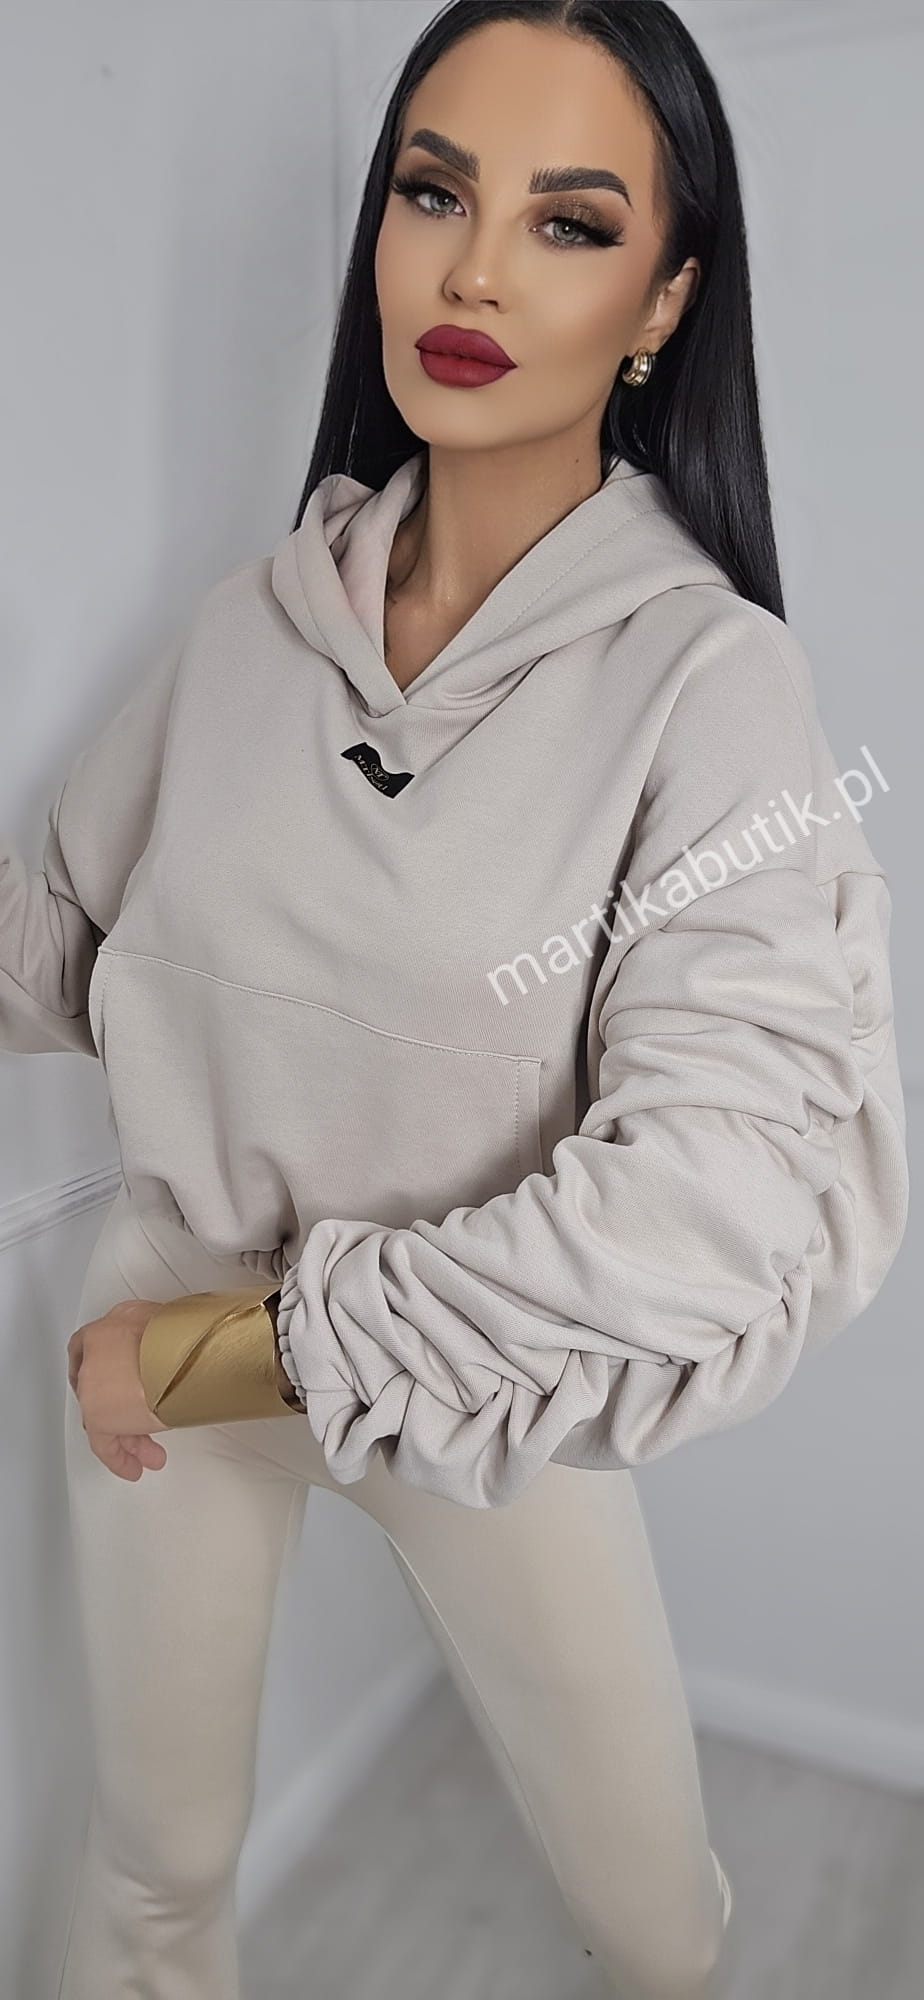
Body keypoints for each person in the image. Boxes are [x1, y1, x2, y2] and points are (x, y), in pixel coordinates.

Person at [1, 3, 906, 1995]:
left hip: (451, 1363)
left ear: (665, 301)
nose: (475, 270)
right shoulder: (255, 624)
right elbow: (59, 942)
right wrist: (184, 1342)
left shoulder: (709, 686)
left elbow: (712, 1203)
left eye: (569, 223)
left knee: (655, 1925)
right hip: (175, 1314)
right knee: (151, 1879)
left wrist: (221, 1353)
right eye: (435, 192)